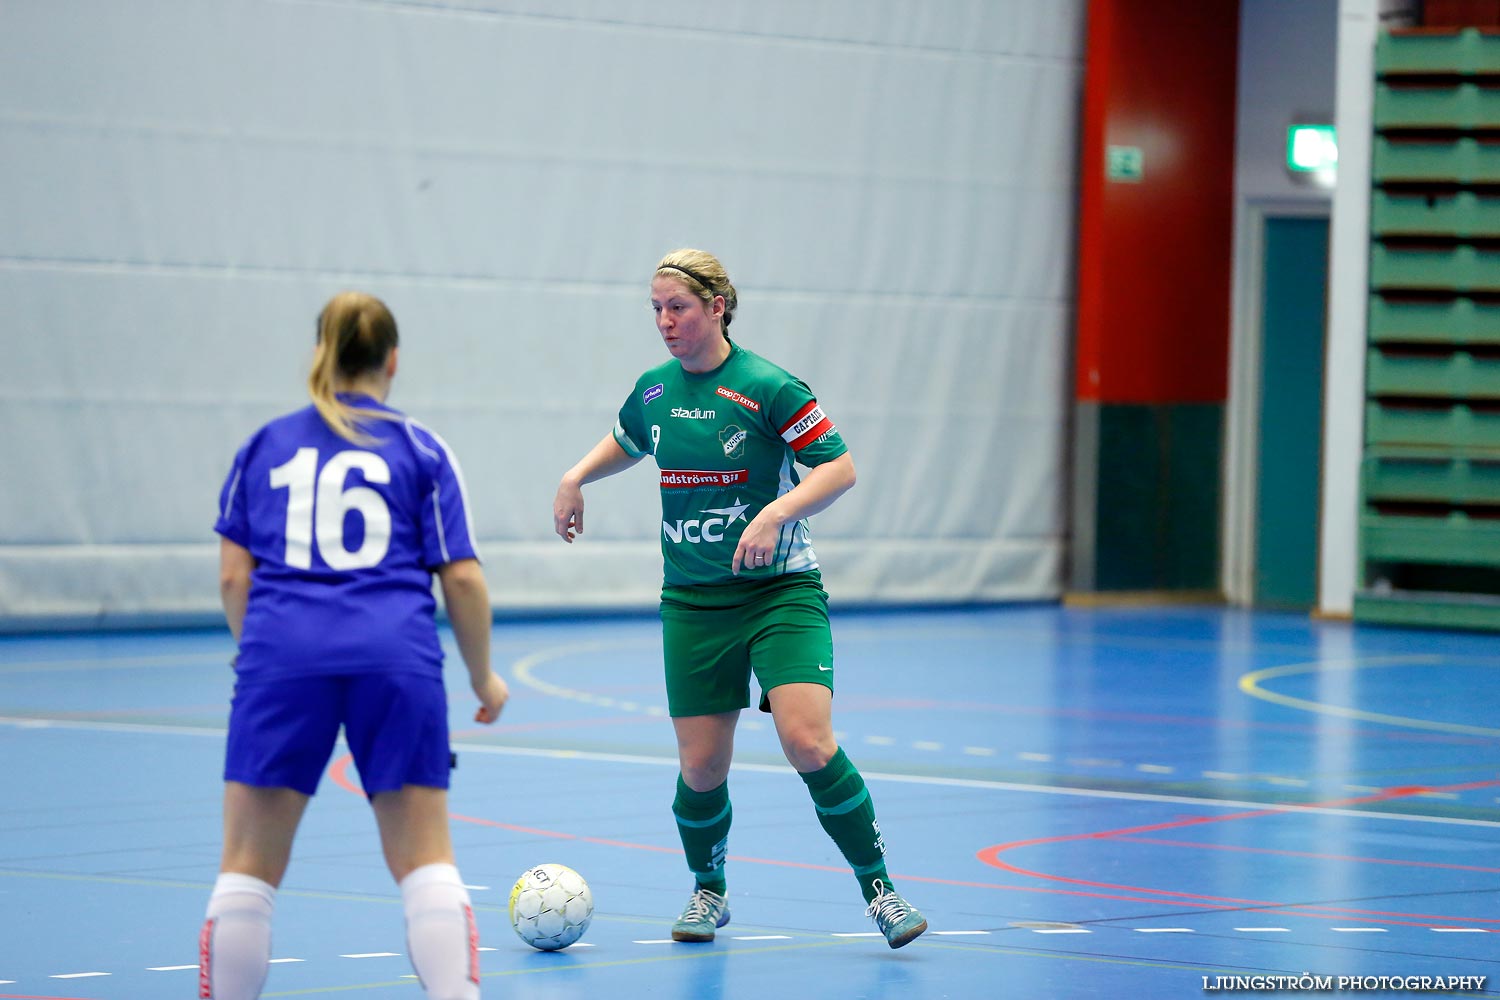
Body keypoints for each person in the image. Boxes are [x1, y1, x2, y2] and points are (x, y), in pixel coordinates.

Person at [551, 249, 927, 949]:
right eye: (657, 309)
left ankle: (880, 888)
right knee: (701, 766)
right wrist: (576, 477)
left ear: (717, 306)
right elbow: (630, 438)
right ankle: (708, 890)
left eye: (679, 308)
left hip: (779, 593)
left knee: (807, 741)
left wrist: (777, 511)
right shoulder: (656, 390)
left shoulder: (768, 386)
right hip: (694, 602)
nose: (665, 322)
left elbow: (838, 468)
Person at [203, 291, 509, 1000]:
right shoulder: (420, 450)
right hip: (393, 658)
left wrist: (261, 653)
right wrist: (483, 678)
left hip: (281, 660)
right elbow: (461, 579)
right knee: (425, 860)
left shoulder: (265, 446)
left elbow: (231, 575)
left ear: (321, 353)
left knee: (247, 868)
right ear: (392, 362)